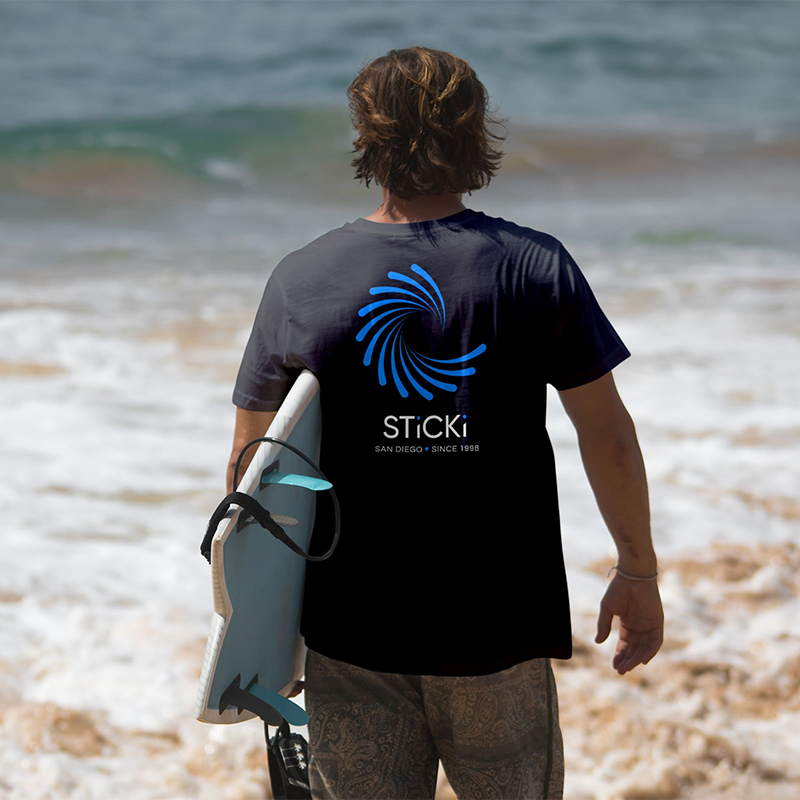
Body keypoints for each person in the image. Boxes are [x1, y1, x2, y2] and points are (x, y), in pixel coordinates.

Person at [227, 46, 663, 800]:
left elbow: (248, 472)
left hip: (353, 633)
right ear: (474, 132)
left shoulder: (302, 279)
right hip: (496, 633)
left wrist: (256, 628)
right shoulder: (535, 268)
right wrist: (637, 571)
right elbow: (608, 432)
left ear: (367, 137)